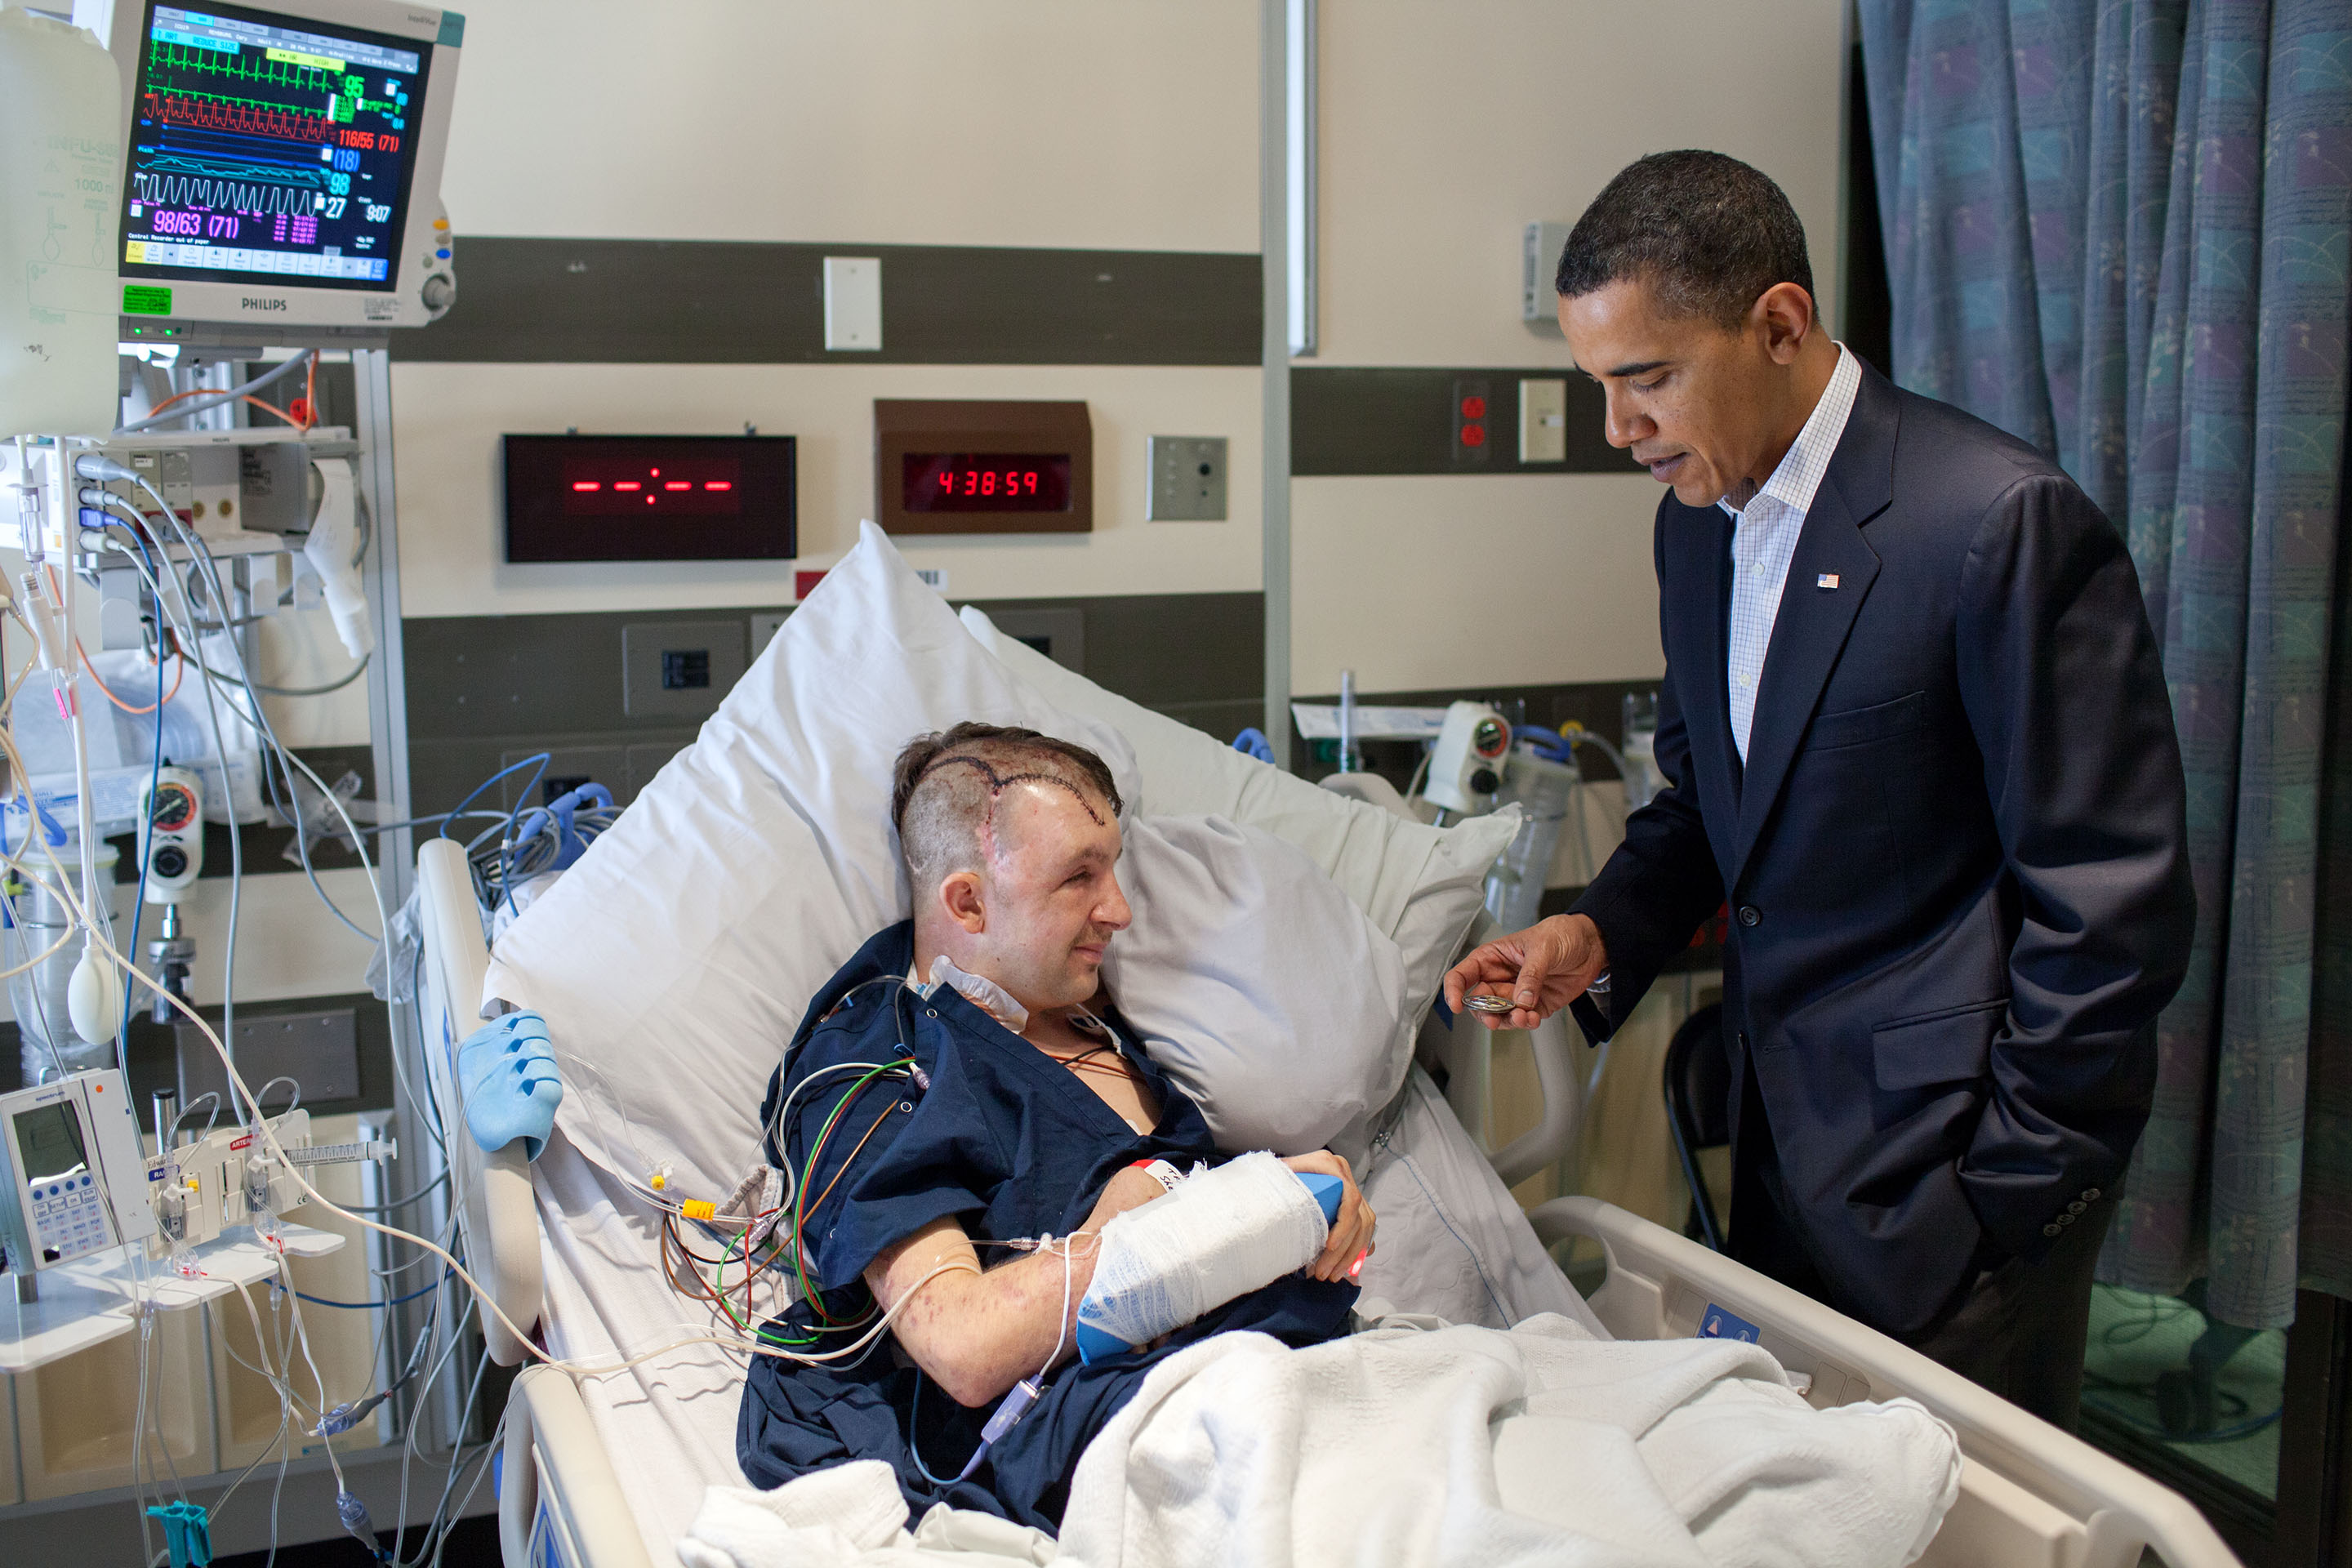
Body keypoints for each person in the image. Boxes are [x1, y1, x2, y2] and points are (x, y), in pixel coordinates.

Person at [1444, 150, 2194, 1430]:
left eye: (1647, 380)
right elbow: (1708, 804)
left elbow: (2108, 907)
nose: (1619, 430)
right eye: (1601, 386)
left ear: (1779, 325)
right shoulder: (1699, 521)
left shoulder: (1994, 525)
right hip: (1784, 1151)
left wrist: (2012, 1197)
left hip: (1957, 1186)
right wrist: (1599, 933)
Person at [737, 723, 1374, 1527]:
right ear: (967, 901)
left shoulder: (1113, 1023)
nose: (1121, 910)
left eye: (1114, 868)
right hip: (1144, 1438)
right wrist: (1211, 1219)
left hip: (1307, 1384)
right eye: (1079, 877)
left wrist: (1308, 1207)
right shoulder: (880, 1060)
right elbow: (964, 1346)